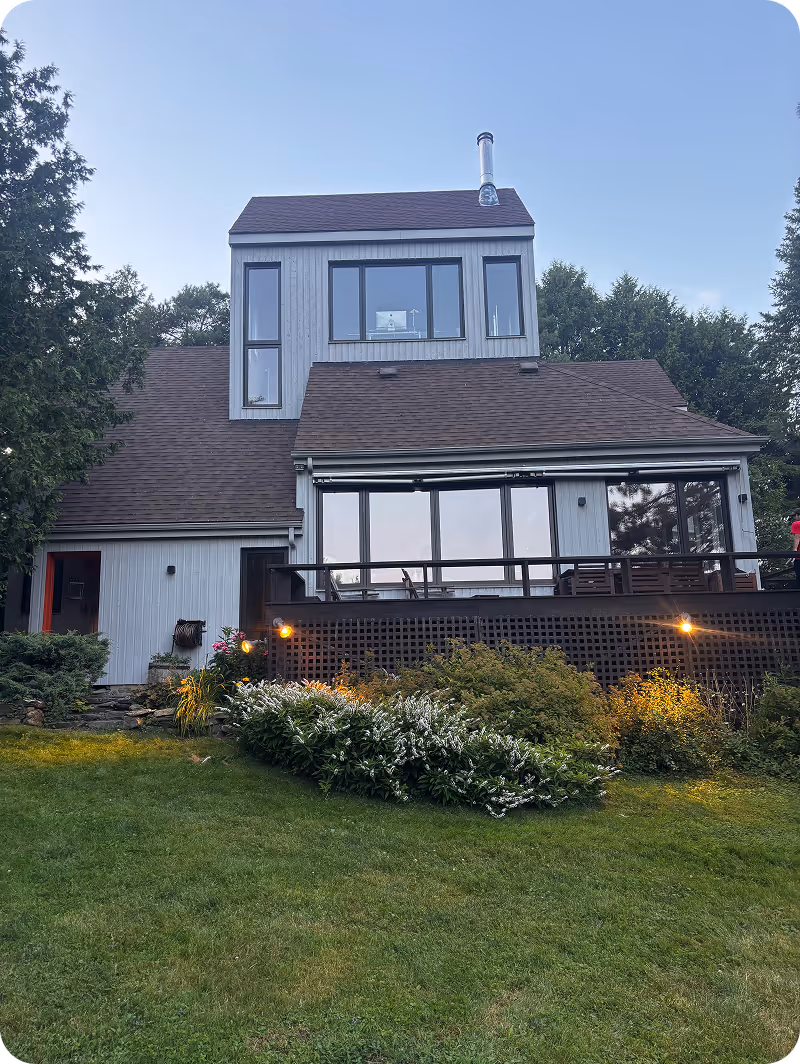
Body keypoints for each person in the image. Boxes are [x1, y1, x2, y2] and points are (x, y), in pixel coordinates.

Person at [792, 510, 800, 586]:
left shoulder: (797, 524)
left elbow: (797, 537)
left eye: (795, 516)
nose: (794, 518)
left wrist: (794, 550)